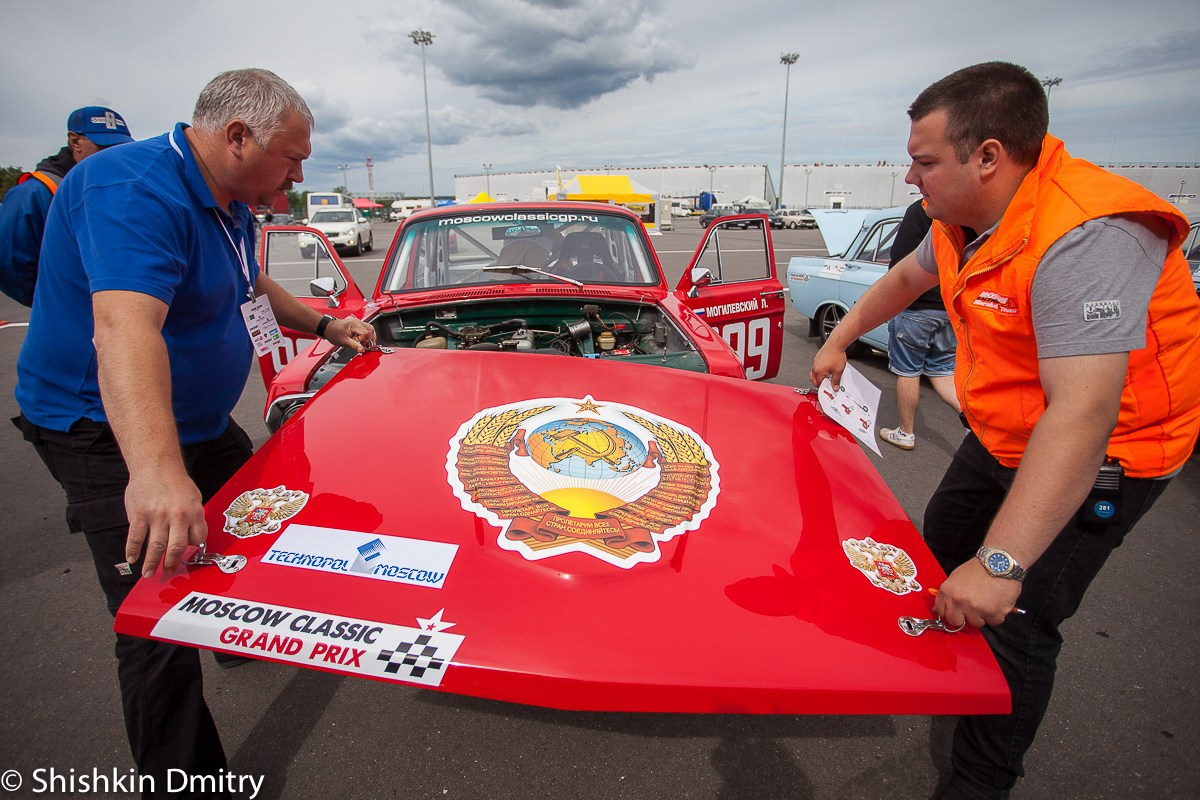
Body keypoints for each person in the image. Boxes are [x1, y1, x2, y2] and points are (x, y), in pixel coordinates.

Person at [810, 62, 1200, 799]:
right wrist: (838, 340)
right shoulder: (965, 220)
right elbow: (904, 280)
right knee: (939, 542)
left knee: (1019, 615)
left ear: (988, 156)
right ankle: (947, 667)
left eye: (923, 161)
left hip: (1114, 455)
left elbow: (1082, 418)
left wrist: (1002, 565)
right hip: (1004, 433)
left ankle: (981, 781)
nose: (908, 178)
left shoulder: (1089, 233)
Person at [13, 68, 375, 798]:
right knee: (155, 607)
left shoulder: (232, 198)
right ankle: (185, 782)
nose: (300, 171)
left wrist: (329, 324)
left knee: (261, 517)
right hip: (102, 429)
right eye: (292, 156)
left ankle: (230, 631)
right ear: (236, 137)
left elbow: (253, 285)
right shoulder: (131, 188)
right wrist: (153, 473)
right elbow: (123, 326)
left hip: (198, 422)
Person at [0, 106, 134, 305]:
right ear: (75, 142)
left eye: (119, 148)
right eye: (103, 148)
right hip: (66, 316)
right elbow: (9, 265)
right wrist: (56, 304)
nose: (113, 155)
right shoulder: (33, 194)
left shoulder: (111, 188)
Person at [877, 199, 961, 450]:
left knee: (908, 371)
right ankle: (974, 426)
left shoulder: (919, 210)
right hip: (949, 308)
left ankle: (905, 432)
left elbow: (900, 262)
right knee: (944, 373)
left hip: (916, 308)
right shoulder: (960, 208)